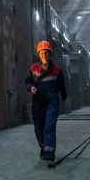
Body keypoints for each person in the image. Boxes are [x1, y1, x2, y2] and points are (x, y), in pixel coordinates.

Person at [25, 40, 67, 168]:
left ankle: (50, 157)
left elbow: (61, 85)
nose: (44, 55)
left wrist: (64, 96)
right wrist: (30, 87)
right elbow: (28, 82)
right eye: (42, 52)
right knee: (39, 128)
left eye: (46, 53)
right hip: (38, 102)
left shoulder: (56, 70)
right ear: (39, 54)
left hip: (51, 101)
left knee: (49, 127)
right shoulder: (34, 69)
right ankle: (43, 148)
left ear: (50, 54)